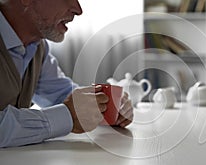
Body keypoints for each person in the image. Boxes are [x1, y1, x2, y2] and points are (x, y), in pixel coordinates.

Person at [0, 0, 133, 148]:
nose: (78, 10)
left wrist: (107, 105)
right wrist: (67, 116)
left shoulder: (36, 47)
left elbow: (63, 94)